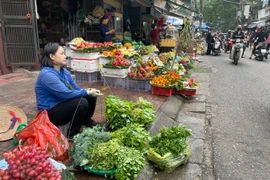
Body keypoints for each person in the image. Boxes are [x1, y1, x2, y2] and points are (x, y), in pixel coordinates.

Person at [35, 43, 101, 138]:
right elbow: (65, 94)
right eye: (62, 54)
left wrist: (88, 91)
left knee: (90, 97)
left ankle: (85, 121)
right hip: (49, 113)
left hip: (62, 105)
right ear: (52, 56)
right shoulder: (47, 75)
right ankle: (72, 134)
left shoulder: (64, 72)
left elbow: (76, 89)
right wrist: (85, 92)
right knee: (82, 102)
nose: (65, 56)